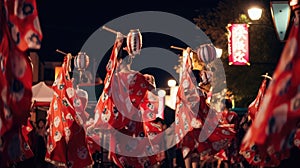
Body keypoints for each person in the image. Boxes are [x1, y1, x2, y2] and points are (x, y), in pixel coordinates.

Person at [88, 32, 164, 167]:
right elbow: (152, 89)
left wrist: (117, 44)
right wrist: (150, 81)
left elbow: (110, 69)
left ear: (119, 61)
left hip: (118, 120)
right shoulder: (137, 76)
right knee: (135, 149)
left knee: (118, 153)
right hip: (133, 118)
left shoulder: (115, 78)